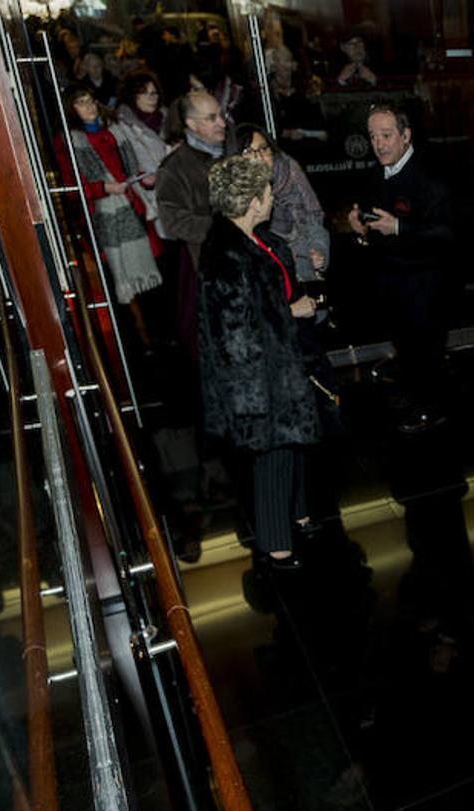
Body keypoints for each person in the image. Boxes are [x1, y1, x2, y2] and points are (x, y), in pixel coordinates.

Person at [197, 154, 322, 569]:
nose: (271, 197)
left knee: (291, 446)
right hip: (259, 379)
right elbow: (237, 333)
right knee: (273, 452)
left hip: (278, 366)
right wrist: (294, 312)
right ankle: (276, 543)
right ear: (252, 201)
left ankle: (297, 512)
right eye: (267, 192)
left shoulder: (247, 238)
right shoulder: (226, 254)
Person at [348, 104, 452, 433]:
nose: (379, 144)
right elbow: (373, 224)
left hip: (426, 285)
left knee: (427, 351)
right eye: (373, 136)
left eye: (387, 135)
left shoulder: (431, 175)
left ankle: (431, 409)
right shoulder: (377, 174)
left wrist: (398, 229)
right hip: (392, 283)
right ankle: (412, 397)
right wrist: (361, 230)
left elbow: (446, 235)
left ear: (406, 136)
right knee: (405, 348)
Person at [56, 84, 163, 306]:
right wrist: (103, 188)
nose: (89, 106)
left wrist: (144, 179)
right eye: (81, 102)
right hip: (103, 223)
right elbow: (72, 188)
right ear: (70, 109)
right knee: (119, 292)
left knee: (154, 291)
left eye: (91, 100)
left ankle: (162, 337)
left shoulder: (116, 131)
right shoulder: (68, 141)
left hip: (136, 211)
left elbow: (130, 169)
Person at [156, 91, 225, 349]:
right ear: (191, 124)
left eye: (220, 115)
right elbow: (174, 221)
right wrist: (225, 228)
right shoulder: (174, 168)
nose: (222, 122)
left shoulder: (235, 150)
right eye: (211, 118)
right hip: (211, 266)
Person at [234, 123, 329, 282]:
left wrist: (319, 251)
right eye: (249, 151)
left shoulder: (288, 170)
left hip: (301, 265)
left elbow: (314, 217)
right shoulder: (233, 194)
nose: (259, 157)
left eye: (264, 149)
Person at [114, 71, 173, 238]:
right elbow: (123, 163)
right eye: (145, 93)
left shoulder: (168, 118)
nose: (151, 98)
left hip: (174, 190)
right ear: (133, 96)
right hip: (147, 196)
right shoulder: (123, 126)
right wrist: (143, 179)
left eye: (154, 93)